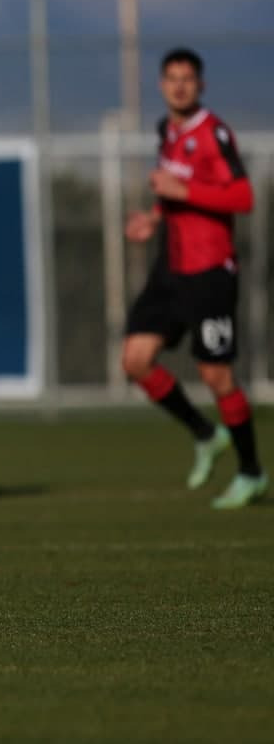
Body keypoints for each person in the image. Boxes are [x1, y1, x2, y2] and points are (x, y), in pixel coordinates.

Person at [122, 47, 267, 509]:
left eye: (188, 78)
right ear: (161, 84)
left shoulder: (213, 133)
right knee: (135, 360)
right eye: (172, 78)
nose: (180, 86)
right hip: (172, 267)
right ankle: (206, 434)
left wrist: (185, 190)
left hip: (209, 271)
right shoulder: (166, 131)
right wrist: (154, 217)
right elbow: (172, 193)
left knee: (216, 374)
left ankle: (252, 472)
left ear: (200, 85)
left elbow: (242, 197)